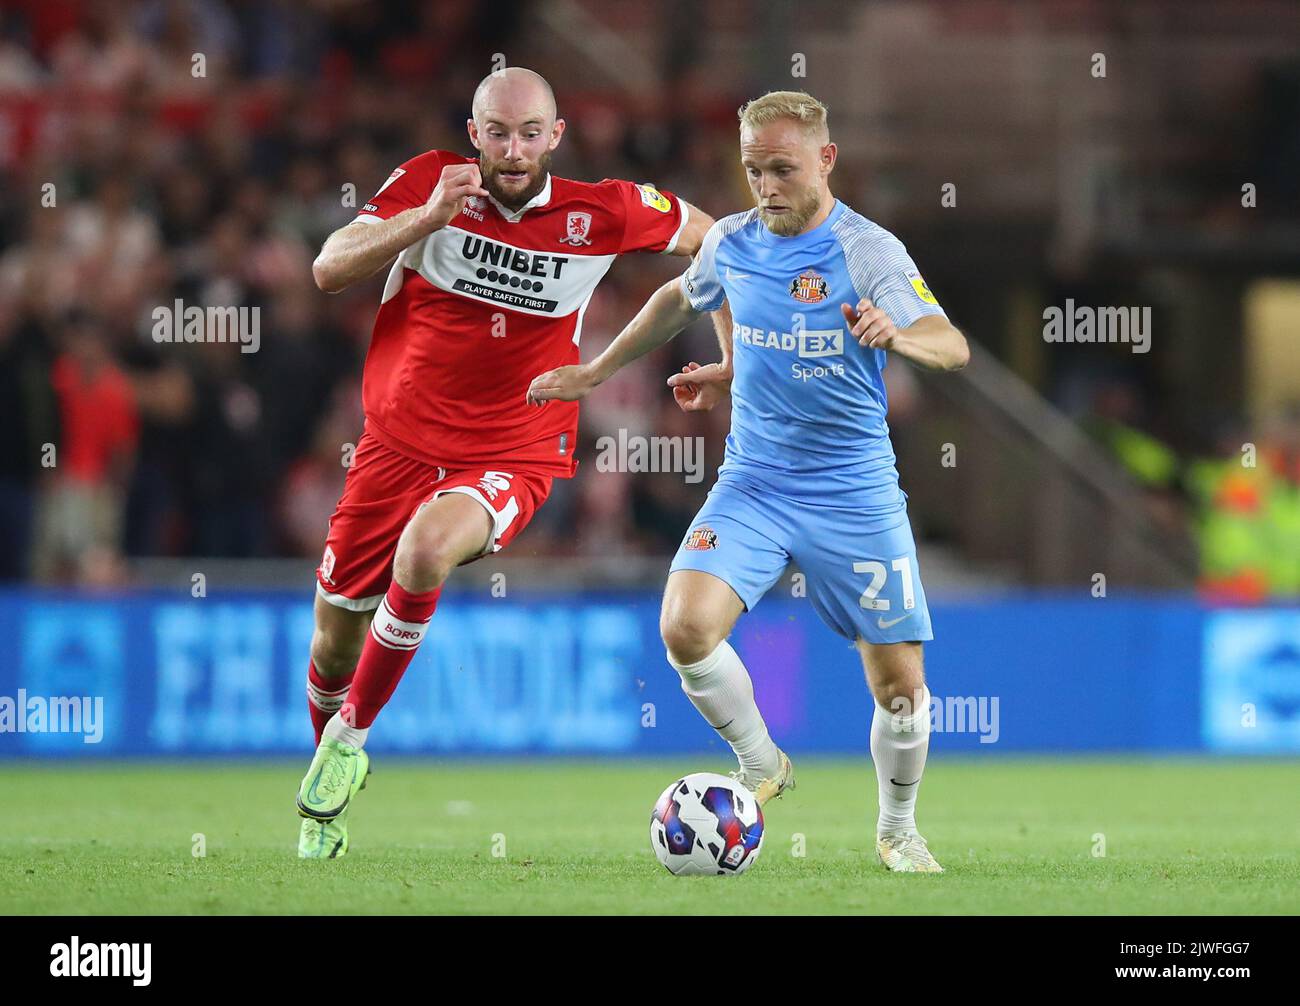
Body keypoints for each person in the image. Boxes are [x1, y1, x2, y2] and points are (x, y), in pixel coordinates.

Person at [526, 90, 969, 873]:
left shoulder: (869, 252)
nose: (766, 186)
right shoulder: (731, 242)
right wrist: (596, 370)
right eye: (754, 170)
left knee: (899, 688)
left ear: (826, 161)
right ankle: (762, 762)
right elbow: (676, 298)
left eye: (783, 170)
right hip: (756, 483)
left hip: (852, 490)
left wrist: (898, 333)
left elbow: (951, 344)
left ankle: (898, 830)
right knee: (684, 628)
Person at [295, 67, 718, 859]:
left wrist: (734, 346)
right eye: (498, 132)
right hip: (394, 445)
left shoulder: (605, 211)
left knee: (425, 551)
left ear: (557, 136)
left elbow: (720, 242)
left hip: (514, 446)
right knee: (330, 649)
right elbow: (328, 267)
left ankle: (350, 738)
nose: (514, 149)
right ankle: (329, 787)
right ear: (473, 132)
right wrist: (425, 219)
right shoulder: (429, 183)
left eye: (530, 133)